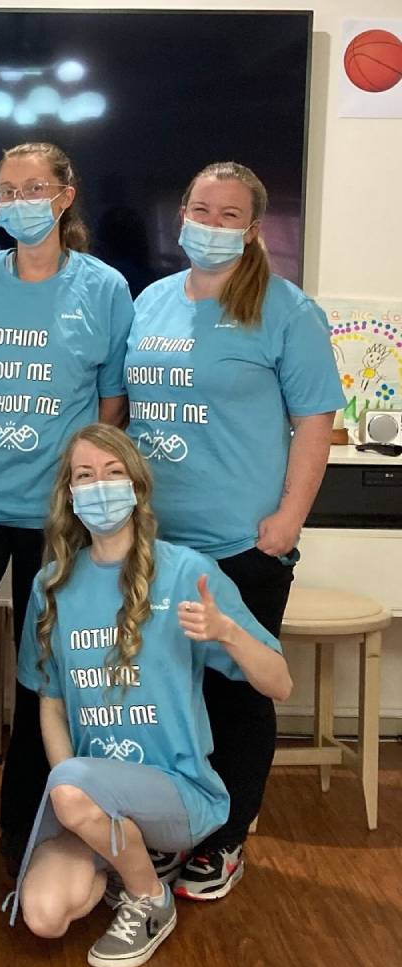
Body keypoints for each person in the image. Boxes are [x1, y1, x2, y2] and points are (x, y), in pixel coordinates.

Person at [123, 161, 344, 899]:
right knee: (159, 692)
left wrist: (286, 522)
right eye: (199, 210)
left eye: (227, 216)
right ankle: (167, 827)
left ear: (252, 231)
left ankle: (225, 838)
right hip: (151, 542)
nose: (209, 226)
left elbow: (316, 423)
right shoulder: (149, 301)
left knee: (237, 694)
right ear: (180, 213)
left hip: (240, 544)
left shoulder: (286, 311)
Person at [11, 424, 291, 967]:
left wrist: (227, 632)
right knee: (43, 914)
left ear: (138, 488)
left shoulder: (187, 572)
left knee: (71, 795)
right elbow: (50, 702)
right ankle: (130, 854)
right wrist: (74, 791)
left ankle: (150, 899)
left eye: (113, 473)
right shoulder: (52, 585)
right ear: (69, 494)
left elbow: (279, 682)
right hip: (93, 794)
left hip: (179, 794)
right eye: (84, 476)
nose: (99, 486)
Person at [0, 142, 134, 871]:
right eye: (5, 190)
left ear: (65, 195)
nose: (17, 201)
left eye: (33, 188)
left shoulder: (105, 288)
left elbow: (111, 402)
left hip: (61, 514)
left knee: (48, 674)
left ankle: (29, 826)